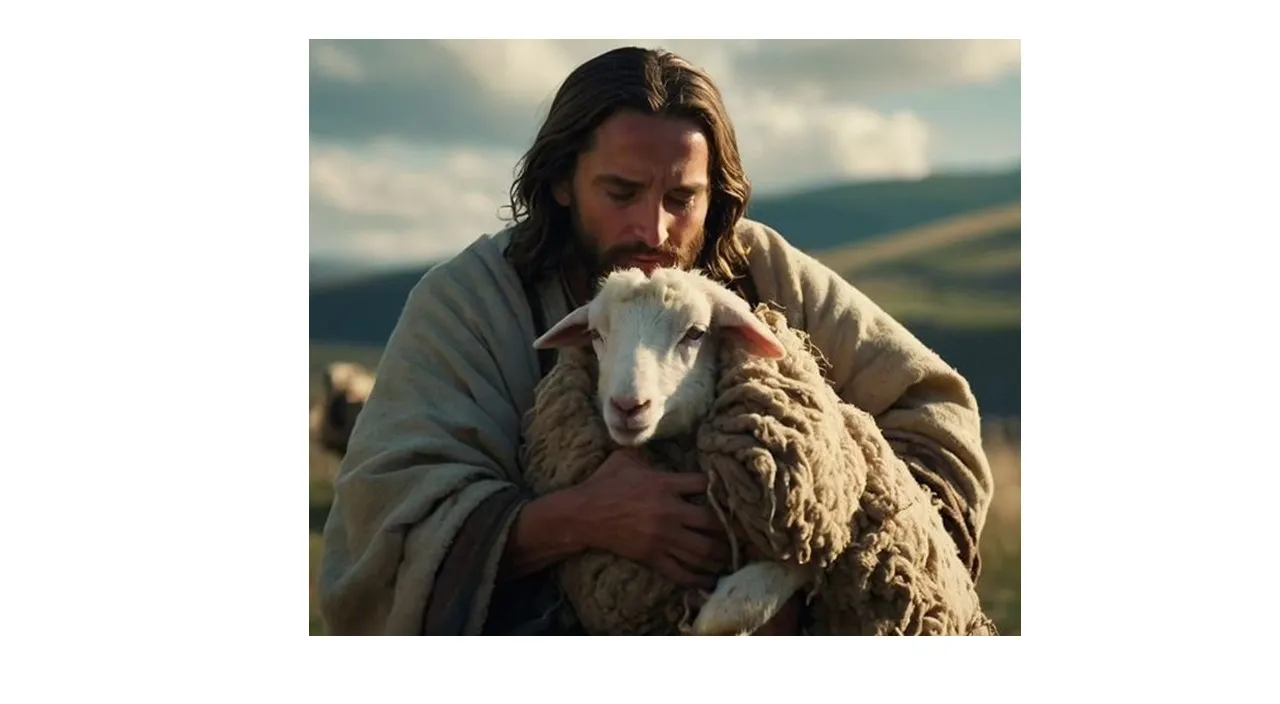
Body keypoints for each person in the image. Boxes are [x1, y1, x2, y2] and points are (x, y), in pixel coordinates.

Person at [317, 46, 995, 636]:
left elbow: (931, 407)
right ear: (560, 182)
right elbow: (386, 521)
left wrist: (825, 552)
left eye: (683, 197)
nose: (654, 228)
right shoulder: (468, 304)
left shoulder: (759, 272)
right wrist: (578, 519)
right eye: (621, 191)